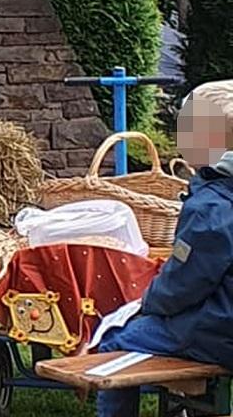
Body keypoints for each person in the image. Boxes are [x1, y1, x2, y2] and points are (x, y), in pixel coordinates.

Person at [94, 80, 233, 417]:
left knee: (116, 342)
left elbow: (184, 284)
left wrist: (150, 302)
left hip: (218, 330)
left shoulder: (211, 207)